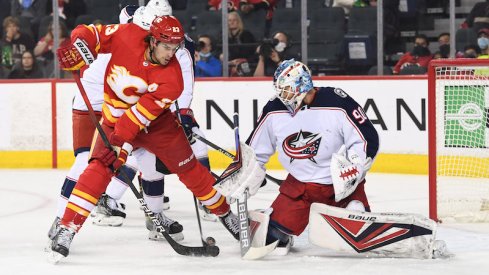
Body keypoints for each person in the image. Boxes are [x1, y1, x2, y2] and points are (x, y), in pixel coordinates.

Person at [48, 14, 239, 262]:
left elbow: (136, 118)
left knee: (191, 170)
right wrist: (77, 45)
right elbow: (90, 33)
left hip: (157, 127)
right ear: (152, 40)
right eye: (166, 47)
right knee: (96, 169)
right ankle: (66, 228)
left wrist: (118, 144)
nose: (170, 54)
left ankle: (226, 214)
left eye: (175, 48)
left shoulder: (172, 78)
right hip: (114, 120)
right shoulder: (126, 35)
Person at [242, 59, 447, 259]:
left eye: (286, 89)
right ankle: (280, 227)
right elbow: (255, 150)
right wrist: (247, 175)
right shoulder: (274, 108)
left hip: (339, 188)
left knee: (357, 224)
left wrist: (354, 167)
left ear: (301, 85)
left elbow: (366, 138)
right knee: (271, 239)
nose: (281, 95)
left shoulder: (337, 101)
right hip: (299, 190)